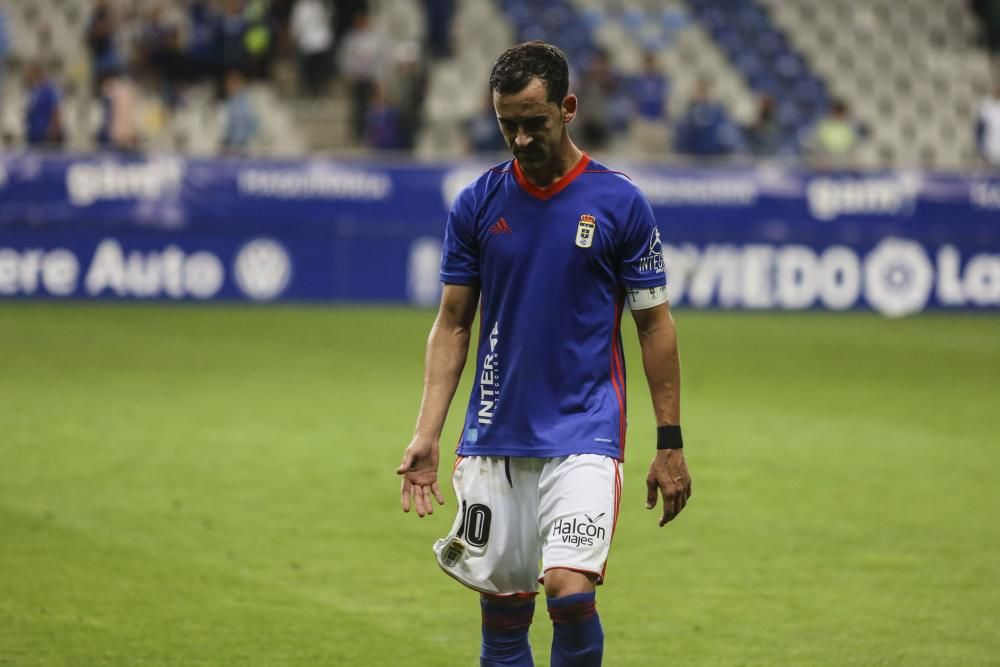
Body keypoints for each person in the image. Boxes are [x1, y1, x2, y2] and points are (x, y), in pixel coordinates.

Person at [396, 41, 692, 667]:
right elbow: (452, 324)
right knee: (504, 615)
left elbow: (654, 325)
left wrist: (670, 439)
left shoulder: (619, 202)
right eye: (508, 125)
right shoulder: (478, 203)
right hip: (493, 435)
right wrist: (427, 431)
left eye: (536, 122)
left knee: (567, 590)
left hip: (585, 432)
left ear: (569, 108)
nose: (522, 139)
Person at [24, 63, 63, 148]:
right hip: (33, 131)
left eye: (29, 73)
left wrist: (54, 127)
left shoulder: (48, 90)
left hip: (44, 131)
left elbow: (55, 109)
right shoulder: (32, 90)